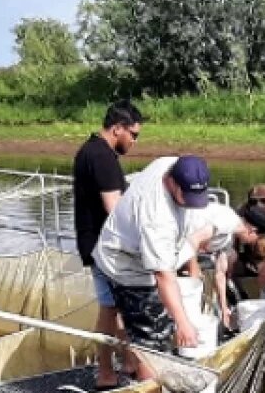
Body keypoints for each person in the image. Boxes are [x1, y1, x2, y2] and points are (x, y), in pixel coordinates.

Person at [91, 155, 222, 380]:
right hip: (128, 267)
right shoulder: (157, 217)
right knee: (152, 339)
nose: (191, 202)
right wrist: (182, 322)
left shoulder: (167, 163)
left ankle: (108, 373)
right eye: (187, 196)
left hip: (108, 247)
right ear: (171, 182)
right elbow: (163, 276)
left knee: (111, 311)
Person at [72, 98, 144, 388]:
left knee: (117, 307)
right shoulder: (102, 157)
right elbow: (115, 209)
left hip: (96, 242)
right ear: (118, 129)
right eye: (134, 135)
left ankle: (127, 362)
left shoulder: (91, 150)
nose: (135, 142)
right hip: (104, 247)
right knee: (109, 309)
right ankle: (105, 372)